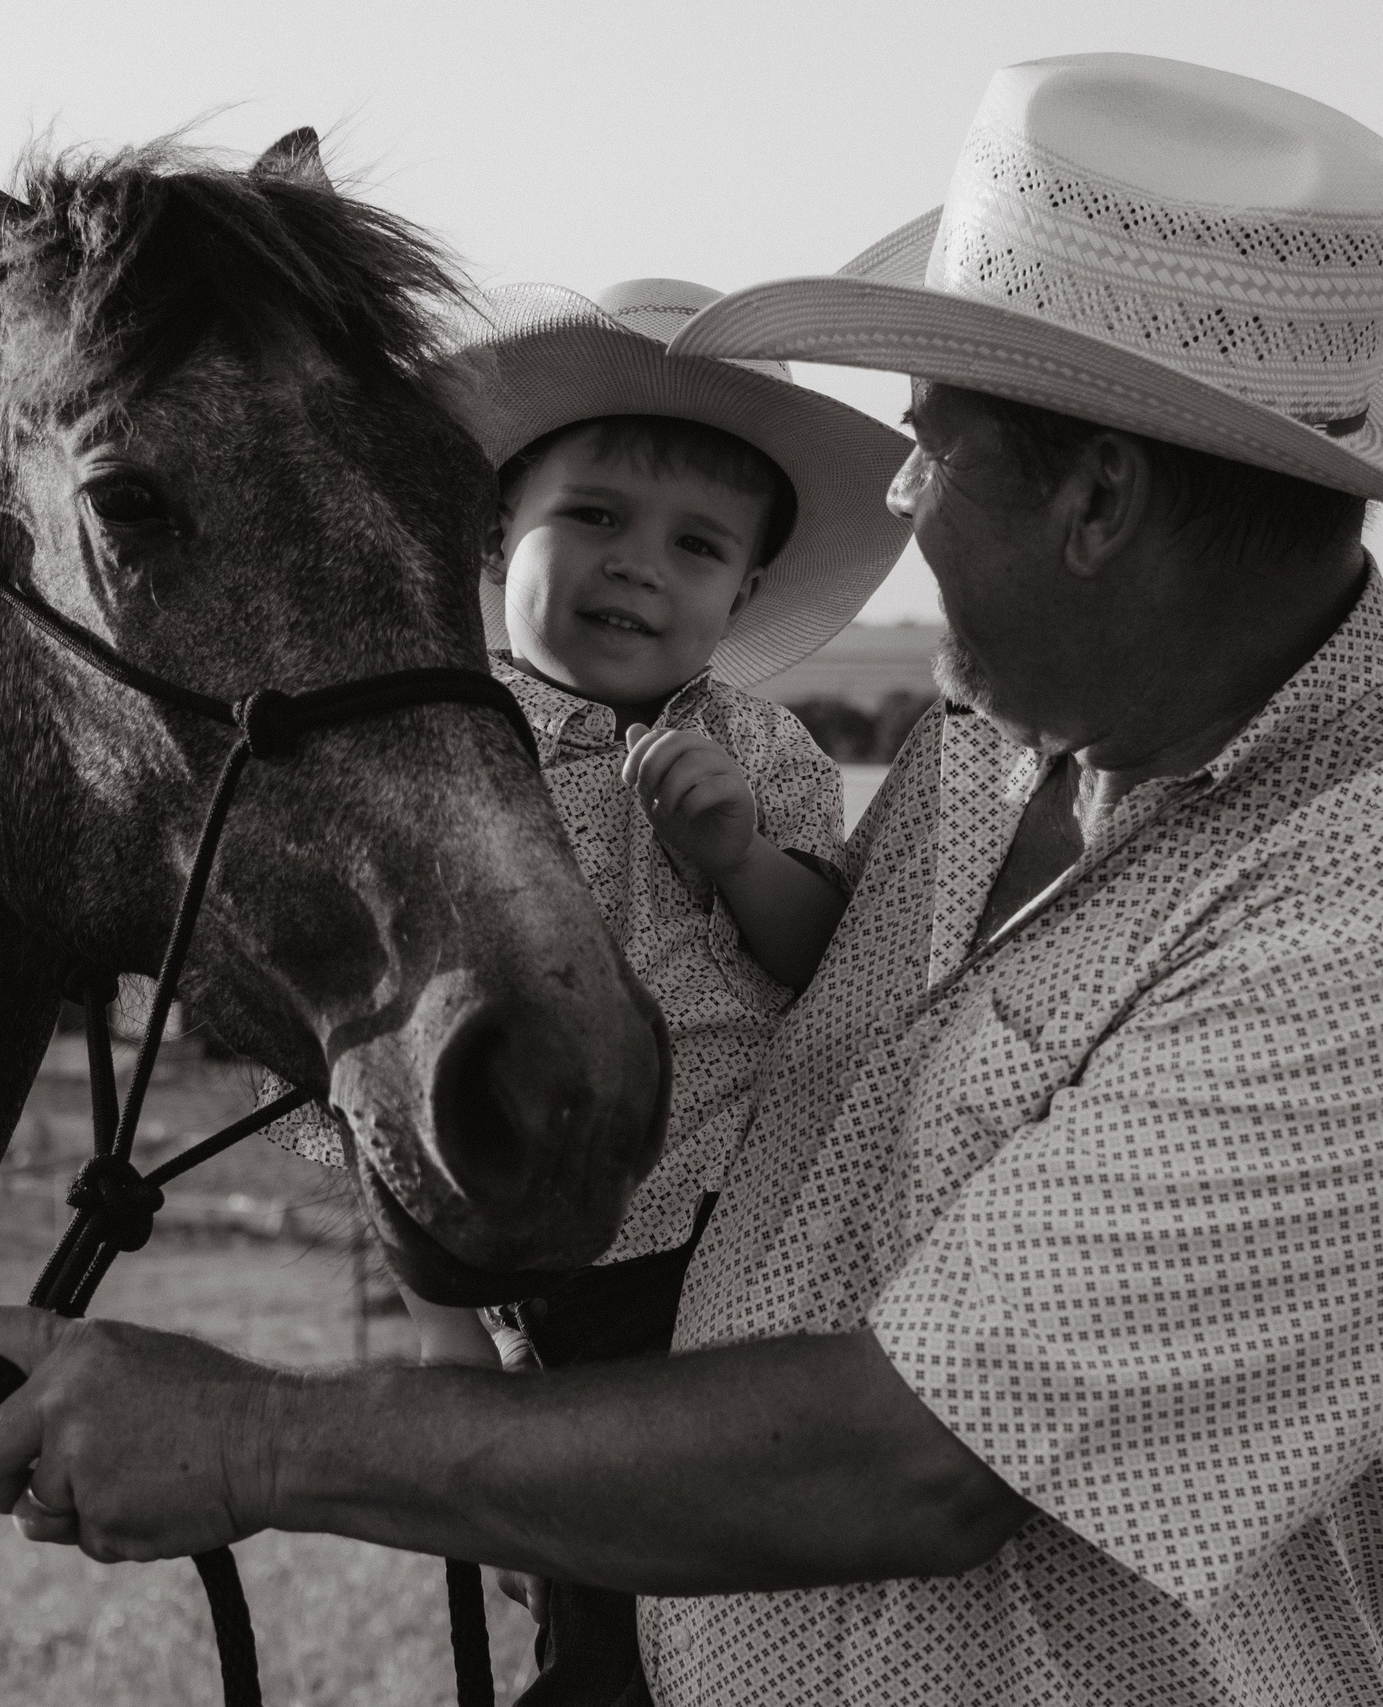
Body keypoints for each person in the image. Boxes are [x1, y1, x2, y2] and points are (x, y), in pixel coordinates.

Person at [0, 54, 1383, 1704]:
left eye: (929, 442)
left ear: (1099, 499)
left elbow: (917, 1463)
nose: (897, 492)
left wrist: (256, 1439)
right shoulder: (1004, 739)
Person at [257, 275, 913, 1700]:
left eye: (697, 546)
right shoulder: (442, 751)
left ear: (746, 591)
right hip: (549, 1285)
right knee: (602, 1629)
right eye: (594, 517)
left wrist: (737, 859)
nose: (639, 568)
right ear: (499, 528)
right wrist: (443, 1326)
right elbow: (361, 1049)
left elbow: (832, 968)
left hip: (757, 1251)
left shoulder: (767, 750)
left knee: (764, 1621)